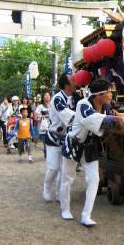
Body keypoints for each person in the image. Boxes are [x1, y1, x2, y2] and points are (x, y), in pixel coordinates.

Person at [60, 79, 124, 225]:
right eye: (108, 92)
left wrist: (114, 114)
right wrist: (113, 118)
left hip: (90, 147)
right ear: (98, 95)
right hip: (74, 145)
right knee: (68, 179)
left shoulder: (106, 107)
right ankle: (65, 208)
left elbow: (109, 116)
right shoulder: (83, 104)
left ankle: (86, 215)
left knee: (94, 179)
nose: (110, 95)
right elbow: (91, 119)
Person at [43, 73, 77, 203]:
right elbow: (68, 116)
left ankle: (59, 193)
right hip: (53, 137)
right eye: (72, 80)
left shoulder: (74, 97)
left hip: (67, 138)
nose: (75, 81)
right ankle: (46, 187)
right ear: (66, 85)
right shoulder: (57, 99)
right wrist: (85, 117)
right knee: (54, 168)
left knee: (64, 170)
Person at [35, 91, 51, 159]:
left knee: (51, 143)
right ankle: (46, 155)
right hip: (43, 128)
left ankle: (49, 156)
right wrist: (41, 116)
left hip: (52, 127)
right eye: (45, 95)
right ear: (43, 97)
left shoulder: (53, 105)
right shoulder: (40, 106)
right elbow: (35, 116)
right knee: (45, 143)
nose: (47, 96)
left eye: (48, 95)